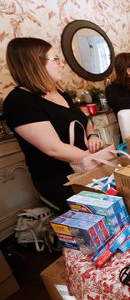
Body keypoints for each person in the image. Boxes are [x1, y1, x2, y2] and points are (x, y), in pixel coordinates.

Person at [3, 37, 104, 213]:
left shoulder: (59, 93)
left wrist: (92, 135)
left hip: (84, 166)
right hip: (60, 178)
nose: (61, 64)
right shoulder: (19, 102)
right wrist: (94, 162)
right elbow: (54, 149)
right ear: (35, 64)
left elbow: (83, 120)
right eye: (55, 59)